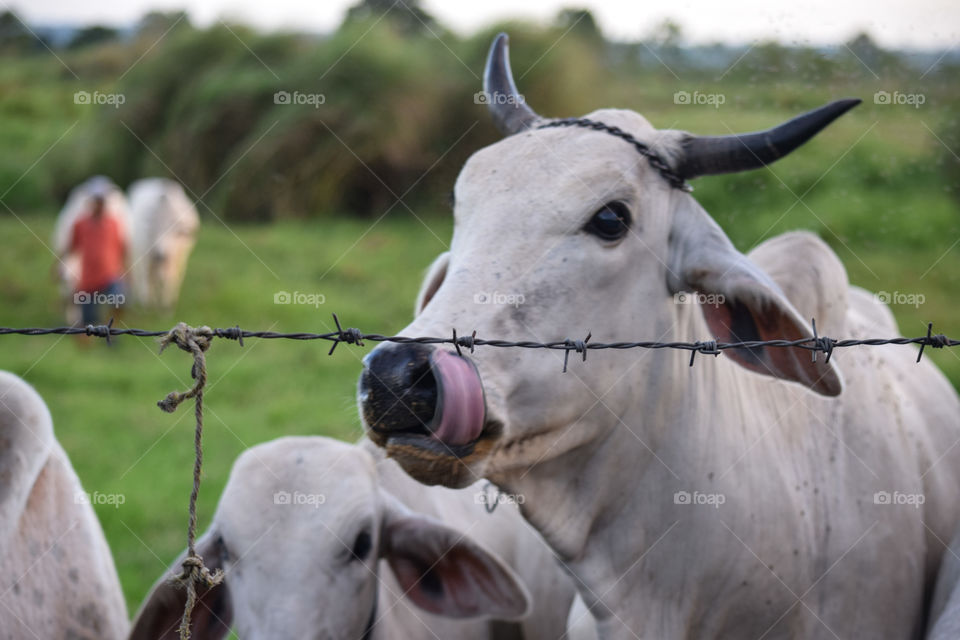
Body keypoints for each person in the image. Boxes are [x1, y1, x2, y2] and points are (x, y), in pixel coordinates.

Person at [67, 193, 127, 326]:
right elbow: (71, 248)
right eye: (96, 202)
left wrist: (126, 271)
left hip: (110, 275)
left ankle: (111, 329)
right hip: (88, 279)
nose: (99, 206)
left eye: (102, 202)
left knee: (119, 299)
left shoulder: (113, 223)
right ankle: (91, 335)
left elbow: (122, 248)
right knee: (88, 321)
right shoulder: (80, 224)